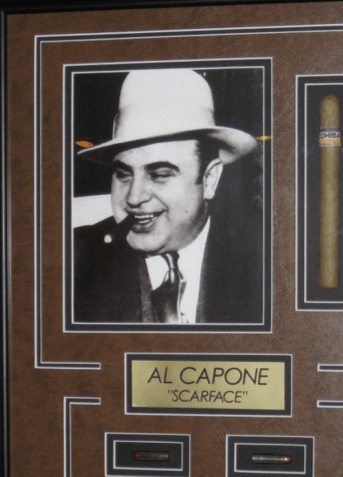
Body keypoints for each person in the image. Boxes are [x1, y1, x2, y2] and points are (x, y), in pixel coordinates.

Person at [72, 68, 264, 326]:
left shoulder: (264, 260)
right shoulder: (73, 262)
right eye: (123, 175)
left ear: (210, 179)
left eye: (159, 175)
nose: (134, 197)